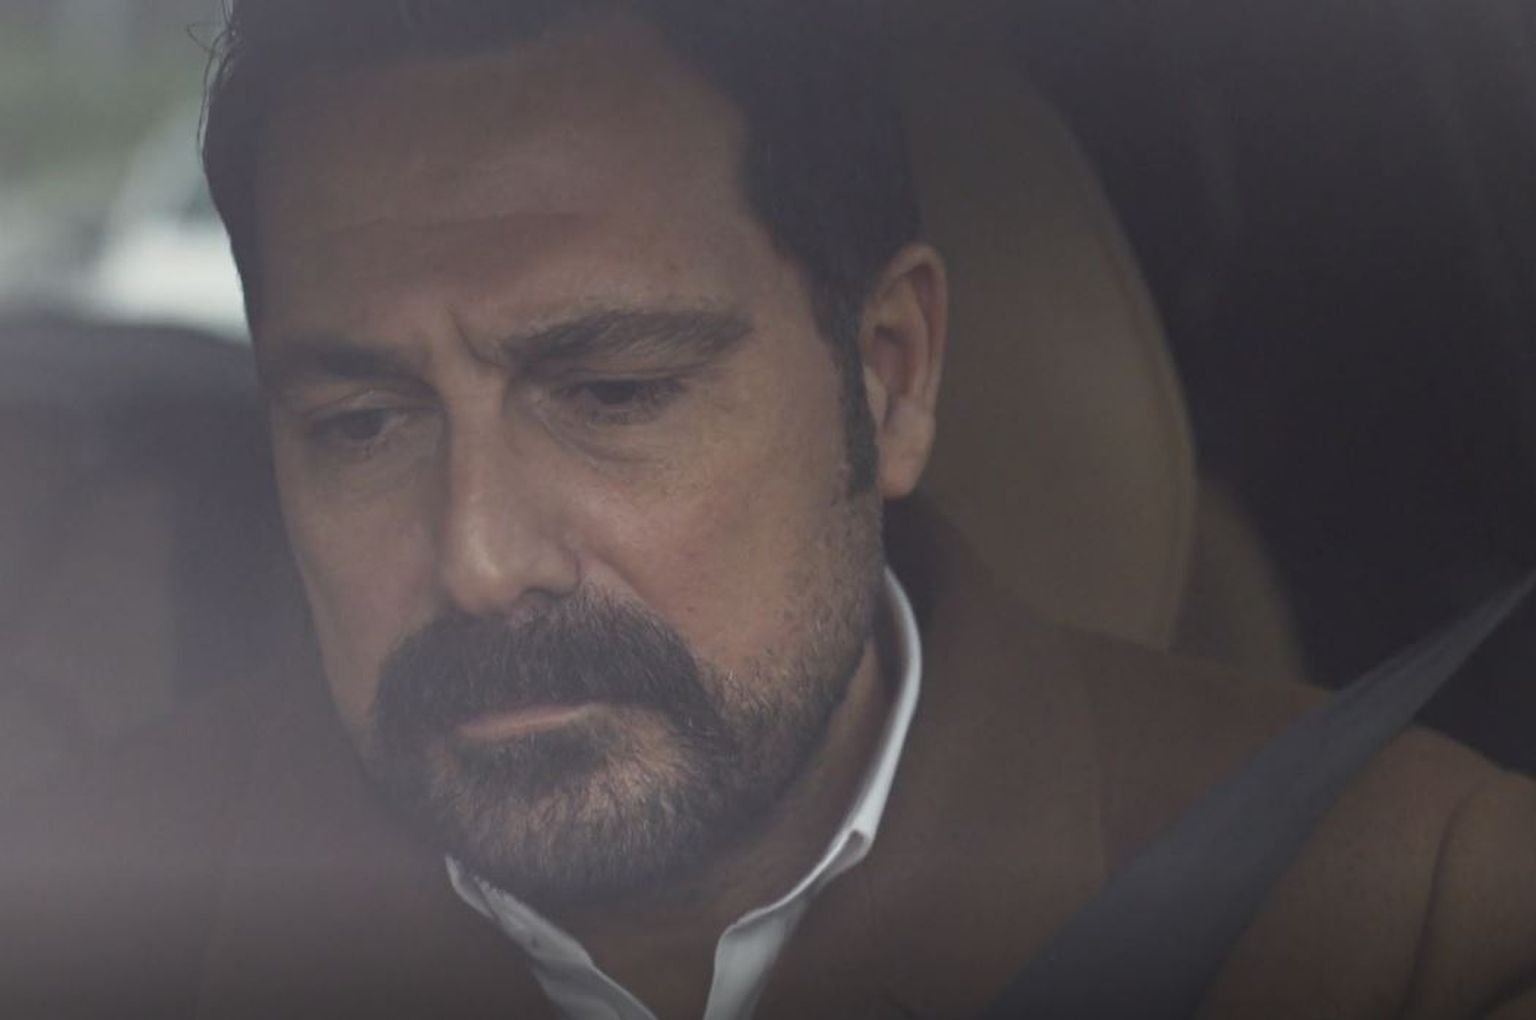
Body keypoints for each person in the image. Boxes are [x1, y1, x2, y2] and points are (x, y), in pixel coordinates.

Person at [4, 3, 1534, 1018]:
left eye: (614, 393)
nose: (478, 561)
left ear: (891, 376)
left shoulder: (1414, 915)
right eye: (360, 424)